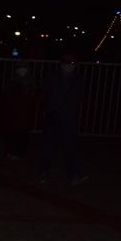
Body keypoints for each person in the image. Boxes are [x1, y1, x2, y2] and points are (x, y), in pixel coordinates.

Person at [39, 51, 87, 187]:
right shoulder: (52, 77)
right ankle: (43, 172)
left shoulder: (78, 79)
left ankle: (74, 174)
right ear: (61, 64)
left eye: (71, 63)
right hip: (53, 115)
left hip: (68, 117)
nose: (68, 65)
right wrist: (46, 110)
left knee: (70, 147)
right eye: (66, 62)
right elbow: (45, 94)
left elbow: (79, 98)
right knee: (48, 146)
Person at [0, 61, 37, 160]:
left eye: (24, 67)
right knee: (12, 132)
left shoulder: (31, 82)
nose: (22, 70)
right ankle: (11, 151)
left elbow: (34, 98)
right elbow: (5, 97)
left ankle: (18, 152)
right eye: (20, 67)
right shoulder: (11, 82)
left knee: (23, 133)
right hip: (13, 112)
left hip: (26, 112)